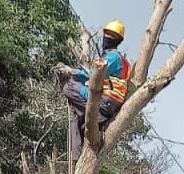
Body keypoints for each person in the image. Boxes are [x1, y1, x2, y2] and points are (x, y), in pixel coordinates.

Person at [55, 20, 132, 160]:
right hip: (107, 103)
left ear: (118, 40)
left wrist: (71, 71)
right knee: (76, 124)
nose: (108, 37)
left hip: (105, 102)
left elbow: (94, 75)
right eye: (107, 34)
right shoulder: (114, 59)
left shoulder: (113, 58)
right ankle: (75, 160)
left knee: (69, 86)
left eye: (112, 35)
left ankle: (93, 113)